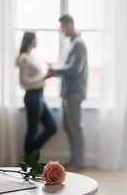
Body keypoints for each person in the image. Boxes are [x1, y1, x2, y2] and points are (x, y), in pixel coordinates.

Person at [48, 14, 88, 171]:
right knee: (69, 127)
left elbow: (74, 68)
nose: (61, 30)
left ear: (70, 25)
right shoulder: (72, 44)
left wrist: (55, 70)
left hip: (74, 93)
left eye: (63, 26)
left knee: (75, 127)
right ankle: (75, 160)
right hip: (68, 93)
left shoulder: (78, 44)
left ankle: (79, 163)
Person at [17, 32, 57, 160]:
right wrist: (43, 77)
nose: (37, 42)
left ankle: (31, 154)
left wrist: (42, 81)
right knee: (32, 131)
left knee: (52, 127)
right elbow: (23, 82)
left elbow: (34, 80)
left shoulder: (30, 57)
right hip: (32, 97)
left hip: (39, 96)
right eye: (35, 39)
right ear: (30, 40)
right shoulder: (23, 58)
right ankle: (29, 162)